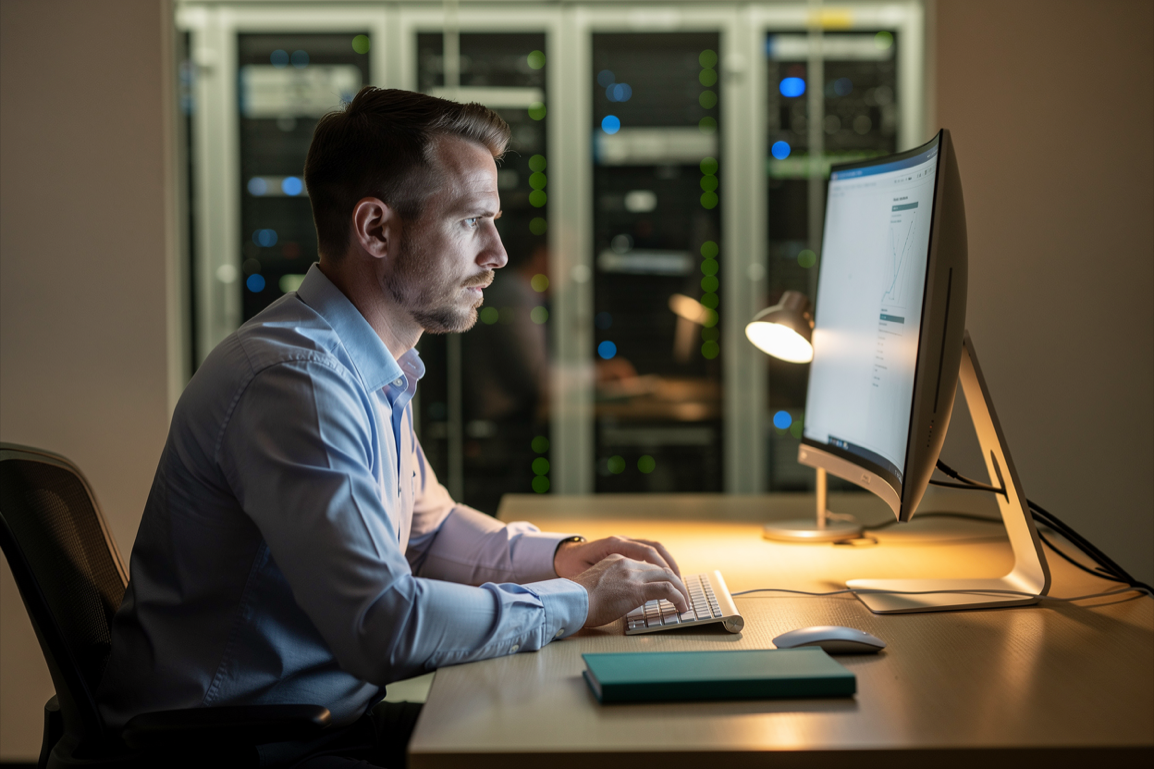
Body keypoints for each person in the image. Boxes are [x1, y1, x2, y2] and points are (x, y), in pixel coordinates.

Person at [96, 87, 690, 768]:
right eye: (472, 222)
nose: (497, 252)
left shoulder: (367, 362)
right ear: (376, 229)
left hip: (315, 720)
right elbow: (384, 626)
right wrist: (573, 602)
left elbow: (428, 531)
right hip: (242, 747)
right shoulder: (295, 382)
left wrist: (560, 559)